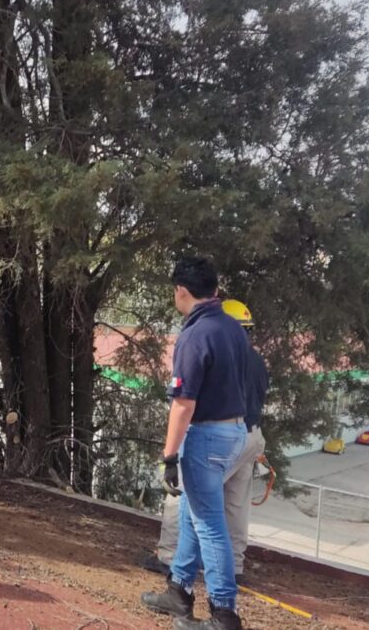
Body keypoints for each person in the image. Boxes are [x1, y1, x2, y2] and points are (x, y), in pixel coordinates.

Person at [141, 257, 249, 630]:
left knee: (209, 523)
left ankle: (224, 615)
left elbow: (183, 404)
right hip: (233, 431)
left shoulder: (194, 335)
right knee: (191, 510)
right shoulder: (231, 328)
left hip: (206, 436)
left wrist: (169, 455)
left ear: (181, 291)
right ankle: (179, 591)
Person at [143, 299, 269, 581]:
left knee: (182, 494)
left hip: (221, 437)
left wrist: (172, 451)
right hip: (251, 436)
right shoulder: (256, 359)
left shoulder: (220, 352)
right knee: (235, 505)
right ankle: (235, 565)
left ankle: (169, 557)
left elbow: (189, 401)